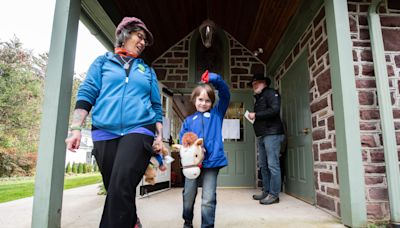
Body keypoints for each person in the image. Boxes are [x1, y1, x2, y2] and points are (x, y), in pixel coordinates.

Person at [65, 17, 162, 228]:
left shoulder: (147, 71)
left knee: (121, 183)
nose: (143, 42)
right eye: (139, 36)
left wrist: (160, 137)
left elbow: (156, 107)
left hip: (139, 129)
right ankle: (132, 222)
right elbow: (87, 93)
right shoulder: (102, 62)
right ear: (124, 34)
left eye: (145, 39)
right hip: (104, 131)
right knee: (117, 188)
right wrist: (75, 128)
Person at [179, 70, 230, 228]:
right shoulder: (188, 121)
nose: (203, 103)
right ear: (194, 100)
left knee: (208, 198)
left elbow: (225, 93)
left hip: (212, 162)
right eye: (200, 99)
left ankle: (207, 226)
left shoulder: (216, 115)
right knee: (188, 195)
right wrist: (191, 149)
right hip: (192, 165)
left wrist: (214, 78)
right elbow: (183, 141)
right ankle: (187, 222)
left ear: (212, 103)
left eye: (208, 100)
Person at [247, 73, 285, 205]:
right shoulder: (259, 97)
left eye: (256, 83)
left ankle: (274, 195)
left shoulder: (271, 93)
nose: (254, 86)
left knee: (273, 165)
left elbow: (275, 110)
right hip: (262, 135)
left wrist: (256, 114)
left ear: (265, 83)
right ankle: (266, 191)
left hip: (273, 134)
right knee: (263, 165)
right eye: (253, 84)